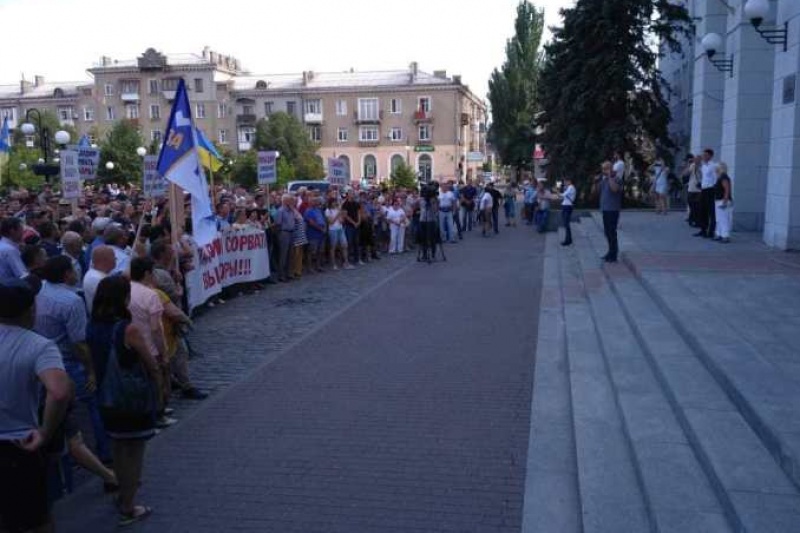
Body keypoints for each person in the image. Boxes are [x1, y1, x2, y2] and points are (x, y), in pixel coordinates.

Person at [0, 279, 72, 533]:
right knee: (36, 520)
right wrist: (45, 432)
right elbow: (59, 392)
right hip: (19, 444)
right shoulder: (39, 345)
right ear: (30, 310)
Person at [90, 276, 158, 527]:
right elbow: (149, 362)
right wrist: (159, 381)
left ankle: (122, 493)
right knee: (134, 451)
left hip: (106, 396)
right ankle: (129, 504)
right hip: (129, 397)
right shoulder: (127, 329)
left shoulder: (94, 325)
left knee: (118, 447)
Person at [127, 257, 172, 428]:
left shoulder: (126, 289)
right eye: (152, 272)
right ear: (146, 273)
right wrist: (164, 352)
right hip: (151, 347)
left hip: (133, 345)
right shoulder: (151, 295)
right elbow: (155, 328)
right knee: (156, 383)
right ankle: (156, 417)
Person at [595, 161, 624, 263]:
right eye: (603, 169)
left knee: (612, 232)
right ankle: (610, 252)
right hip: (605, 209)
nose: (604, 171)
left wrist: (610, 176)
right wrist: (596, 181)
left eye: (606, 169)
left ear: (611, 169)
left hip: (613, 210)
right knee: (607, 232)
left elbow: (614, 189)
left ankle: (614, 254)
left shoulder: (617, 179)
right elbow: (597, 191)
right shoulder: (604, 180)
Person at [83, 246, 116, 316]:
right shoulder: (100, 280)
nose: (116, 259)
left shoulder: (92, 273)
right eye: (113, 256)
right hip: (105, 321)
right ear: (105, 260)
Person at [695, 148, 719, 239]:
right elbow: (701, 175)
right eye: (703, 155)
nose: (703, 157)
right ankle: (703, 230)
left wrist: (715, 189)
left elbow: (716, 178)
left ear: (710, 156)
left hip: (711, 190)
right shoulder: (704, 166)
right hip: (703, 190)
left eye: (705, 155)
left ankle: (711, 232)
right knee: (702, 210)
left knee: (711, 212)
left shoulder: (714, 166)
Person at [275, 194, 296, 282]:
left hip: (291, 233)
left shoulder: (291, 210)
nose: (292, 202)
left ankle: (289, 273)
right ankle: (281, 275)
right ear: (285, 201)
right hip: (284, 233)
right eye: (290, 200)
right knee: (283, 254)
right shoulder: (281, 211)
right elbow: (278, 224)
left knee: (290, 254)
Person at [0, 216, 27, 281]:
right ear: (12, 231)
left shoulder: (3, 245)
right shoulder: (9, 250)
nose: (23, 232)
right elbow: (22, 275)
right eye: (21, 229)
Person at [304, 197, 326, 273]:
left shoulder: (318, 210)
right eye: (314, 201)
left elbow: (322, 219)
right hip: (313, 234)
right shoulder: (308, 211)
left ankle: (318, 266)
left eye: (316, 201)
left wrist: (324, 227)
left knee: (320, 251)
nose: (317, 202)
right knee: (311, 251)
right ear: (310, 202)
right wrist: (320, 229)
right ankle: (309, 268)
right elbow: (311, 222)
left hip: (321, 234)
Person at [713, 162, 734, 243]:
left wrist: (725, 201)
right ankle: (719, 234)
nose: (715, 169)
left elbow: (727, 190)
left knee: (723, 219)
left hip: (723, 200)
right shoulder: (720, 177)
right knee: (719, 219)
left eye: (717, 167)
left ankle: (725, 236)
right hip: (719, 200)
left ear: (720, 168)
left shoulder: (724, 177)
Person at [341, 191, 362, 266]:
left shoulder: (356, 203)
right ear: (348, 195)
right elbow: (345, 216)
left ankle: (357, 259)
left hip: (356, 225)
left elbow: (359, 212)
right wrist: (354, 223)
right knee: (349, 243)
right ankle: (347, 260)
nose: (353, 195)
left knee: (356, 242)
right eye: (351, 194)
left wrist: (359, 221)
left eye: (353, 194)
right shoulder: (345, 204)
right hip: (349, 226)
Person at [682, 154, 702, 227]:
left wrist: (698, 168)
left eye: (698, 159)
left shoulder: (703, 167)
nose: (696, 160)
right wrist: (688, 165)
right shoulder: (692, 166)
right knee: (691, 205)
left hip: (699, 190)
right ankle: (692, 219)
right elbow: (685, 174)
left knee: (697, 206)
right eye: (695, 159)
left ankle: (697, 221)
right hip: (691, 188)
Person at [559, 177, 577, 246]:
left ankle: (568, 240)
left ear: (569, 181)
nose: (564, 183)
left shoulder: (571, 187)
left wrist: (557, 191)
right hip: (566, 206)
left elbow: (563, 195)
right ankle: (568, 239)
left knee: (566, 224)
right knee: (566, 223)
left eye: (565, 181)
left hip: (567, 207)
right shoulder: (569, 187)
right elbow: (562, 197)